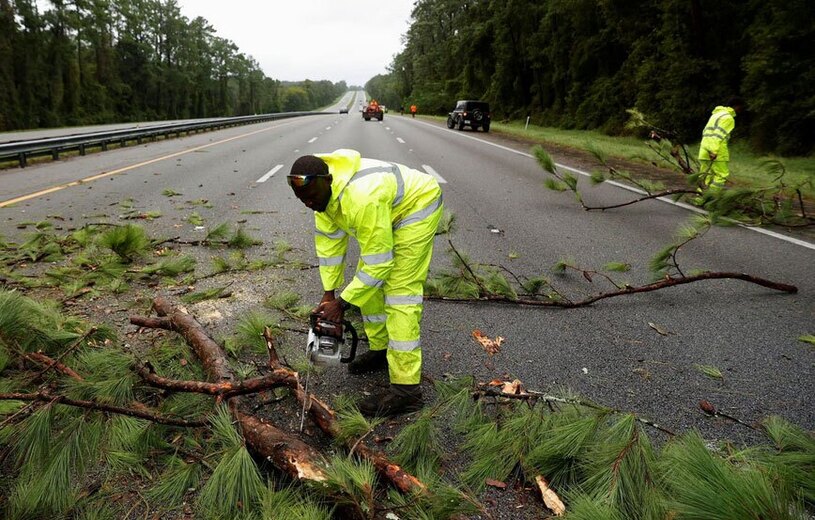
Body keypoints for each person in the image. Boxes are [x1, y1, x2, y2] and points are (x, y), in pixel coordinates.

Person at [287, 149, 443, 417]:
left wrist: (342, 304)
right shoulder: (321, 198)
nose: (308, 204)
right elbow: (330, 248)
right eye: (302, 200)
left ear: (329, 181)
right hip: (384, 209)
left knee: (400, 294)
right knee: (367, 285)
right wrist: (329, 293)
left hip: (416, 206)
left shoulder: (361, 197)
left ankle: (407, 391)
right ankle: (381, 350)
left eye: (311, 198)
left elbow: (380, 264)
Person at [698, 96, 746, 192]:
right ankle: (711, 197)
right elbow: (718, 135)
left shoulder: (716, 115)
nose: (741, 110)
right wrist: (713, 151)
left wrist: (708, 149)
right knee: (721, 175)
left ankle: (700, 197)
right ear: (736, 106)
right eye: (741, 107)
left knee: (704, 176)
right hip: (717, 151)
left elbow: (705, 132)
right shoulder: (728, 118)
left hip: (704, 148)